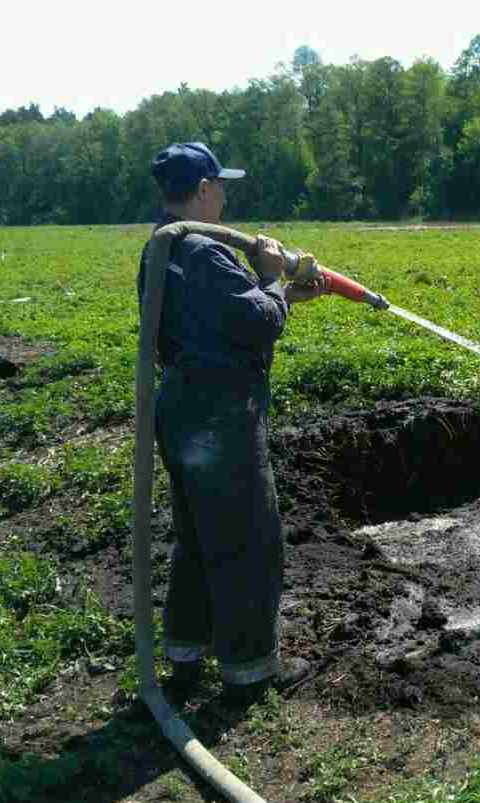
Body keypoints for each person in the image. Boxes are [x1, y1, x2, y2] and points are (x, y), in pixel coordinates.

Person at [136, 142, 322, 705]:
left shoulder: (162, 246)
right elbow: (256, 323)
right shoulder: (204, 251)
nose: (225, 192)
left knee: (197, 537)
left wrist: (285, 292)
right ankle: (249, 671)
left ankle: (185, 651)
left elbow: (215, 319)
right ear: (200, 190)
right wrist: (271, 278)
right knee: (248, 540)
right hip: (221, 416)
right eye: (219, 183)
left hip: (180, 408)